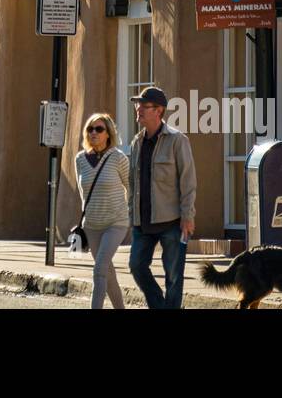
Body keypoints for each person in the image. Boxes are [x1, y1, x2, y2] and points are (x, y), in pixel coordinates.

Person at [126, 87, 196, 309]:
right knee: (136, 265)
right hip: (142, 222)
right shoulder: (136, 142)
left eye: (144, 106)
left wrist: (187, 215)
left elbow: (188, 181)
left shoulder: (177, 140)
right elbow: (132, 182)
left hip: (172, 221)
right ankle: (160, 306)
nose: (138, 109)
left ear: (159, 110)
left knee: (174, 278)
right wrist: (131, 214)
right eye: (138, 105)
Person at [73, 112, 131, 309]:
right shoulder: (80, 159)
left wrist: (132, 215)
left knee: (99, 269)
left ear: (108, 134)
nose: (94, 133)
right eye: (90, 129)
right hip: (91, 225)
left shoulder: (118, 158)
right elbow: (83, 193)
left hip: (116, 223)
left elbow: (131, 188)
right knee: (107, 271)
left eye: (99, 129)